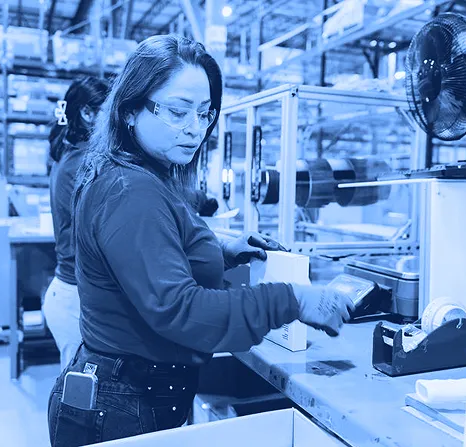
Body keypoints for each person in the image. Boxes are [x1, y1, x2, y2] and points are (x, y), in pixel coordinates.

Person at [47, 34, 353, 446]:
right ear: (131, 110)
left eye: (205, 113)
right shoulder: (130, 190)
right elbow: (179, 309)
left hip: (120, 395)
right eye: (177, 112)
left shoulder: (136, 173)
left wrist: (219, 249)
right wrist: (294, 299)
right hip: (123, 407)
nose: (194, 129)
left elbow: (152, 248)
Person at [43, 77, 109, 371]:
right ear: (87, 113)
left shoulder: (71, 156)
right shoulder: (83, 162)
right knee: (80, 400)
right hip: (74, 300)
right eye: (110, 111)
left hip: (70, 295)